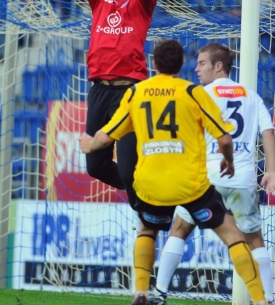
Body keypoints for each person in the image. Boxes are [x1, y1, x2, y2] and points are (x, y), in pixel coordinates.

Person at [79, 39, 269, 305]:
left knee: (148, 230)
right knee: (235, 235)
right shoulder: (193, 93)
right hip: (191, 184)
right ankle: (261, 300)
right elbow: (226, 138)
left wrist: (90, 144)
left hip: (150, 183)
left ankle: (144, 292)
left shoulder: (136, 92)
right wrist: (229, 160)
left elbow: (108, 134)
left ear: (153, 64)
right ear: (182, 64)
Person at [149, 42, 275, 305]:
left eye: (202, 63)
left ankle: (159, 293)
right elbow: (268, 132)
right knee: (254, 239)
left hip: (208, 178)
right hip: (242, 179)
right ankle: (269, 299)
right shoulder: (251, 96)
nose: (196, 68)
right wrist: (272, 169)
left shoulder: (199, 95)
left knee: (180, 229)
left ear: (219, 66)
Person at [76, 0, 157, 211]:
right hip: (99, 91)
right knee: (95, 166)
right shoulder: (101, 1)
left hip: (128, 93)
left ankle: (146, 208)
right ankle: (147, 191)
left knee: (125, 167)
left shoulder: (143, 4)